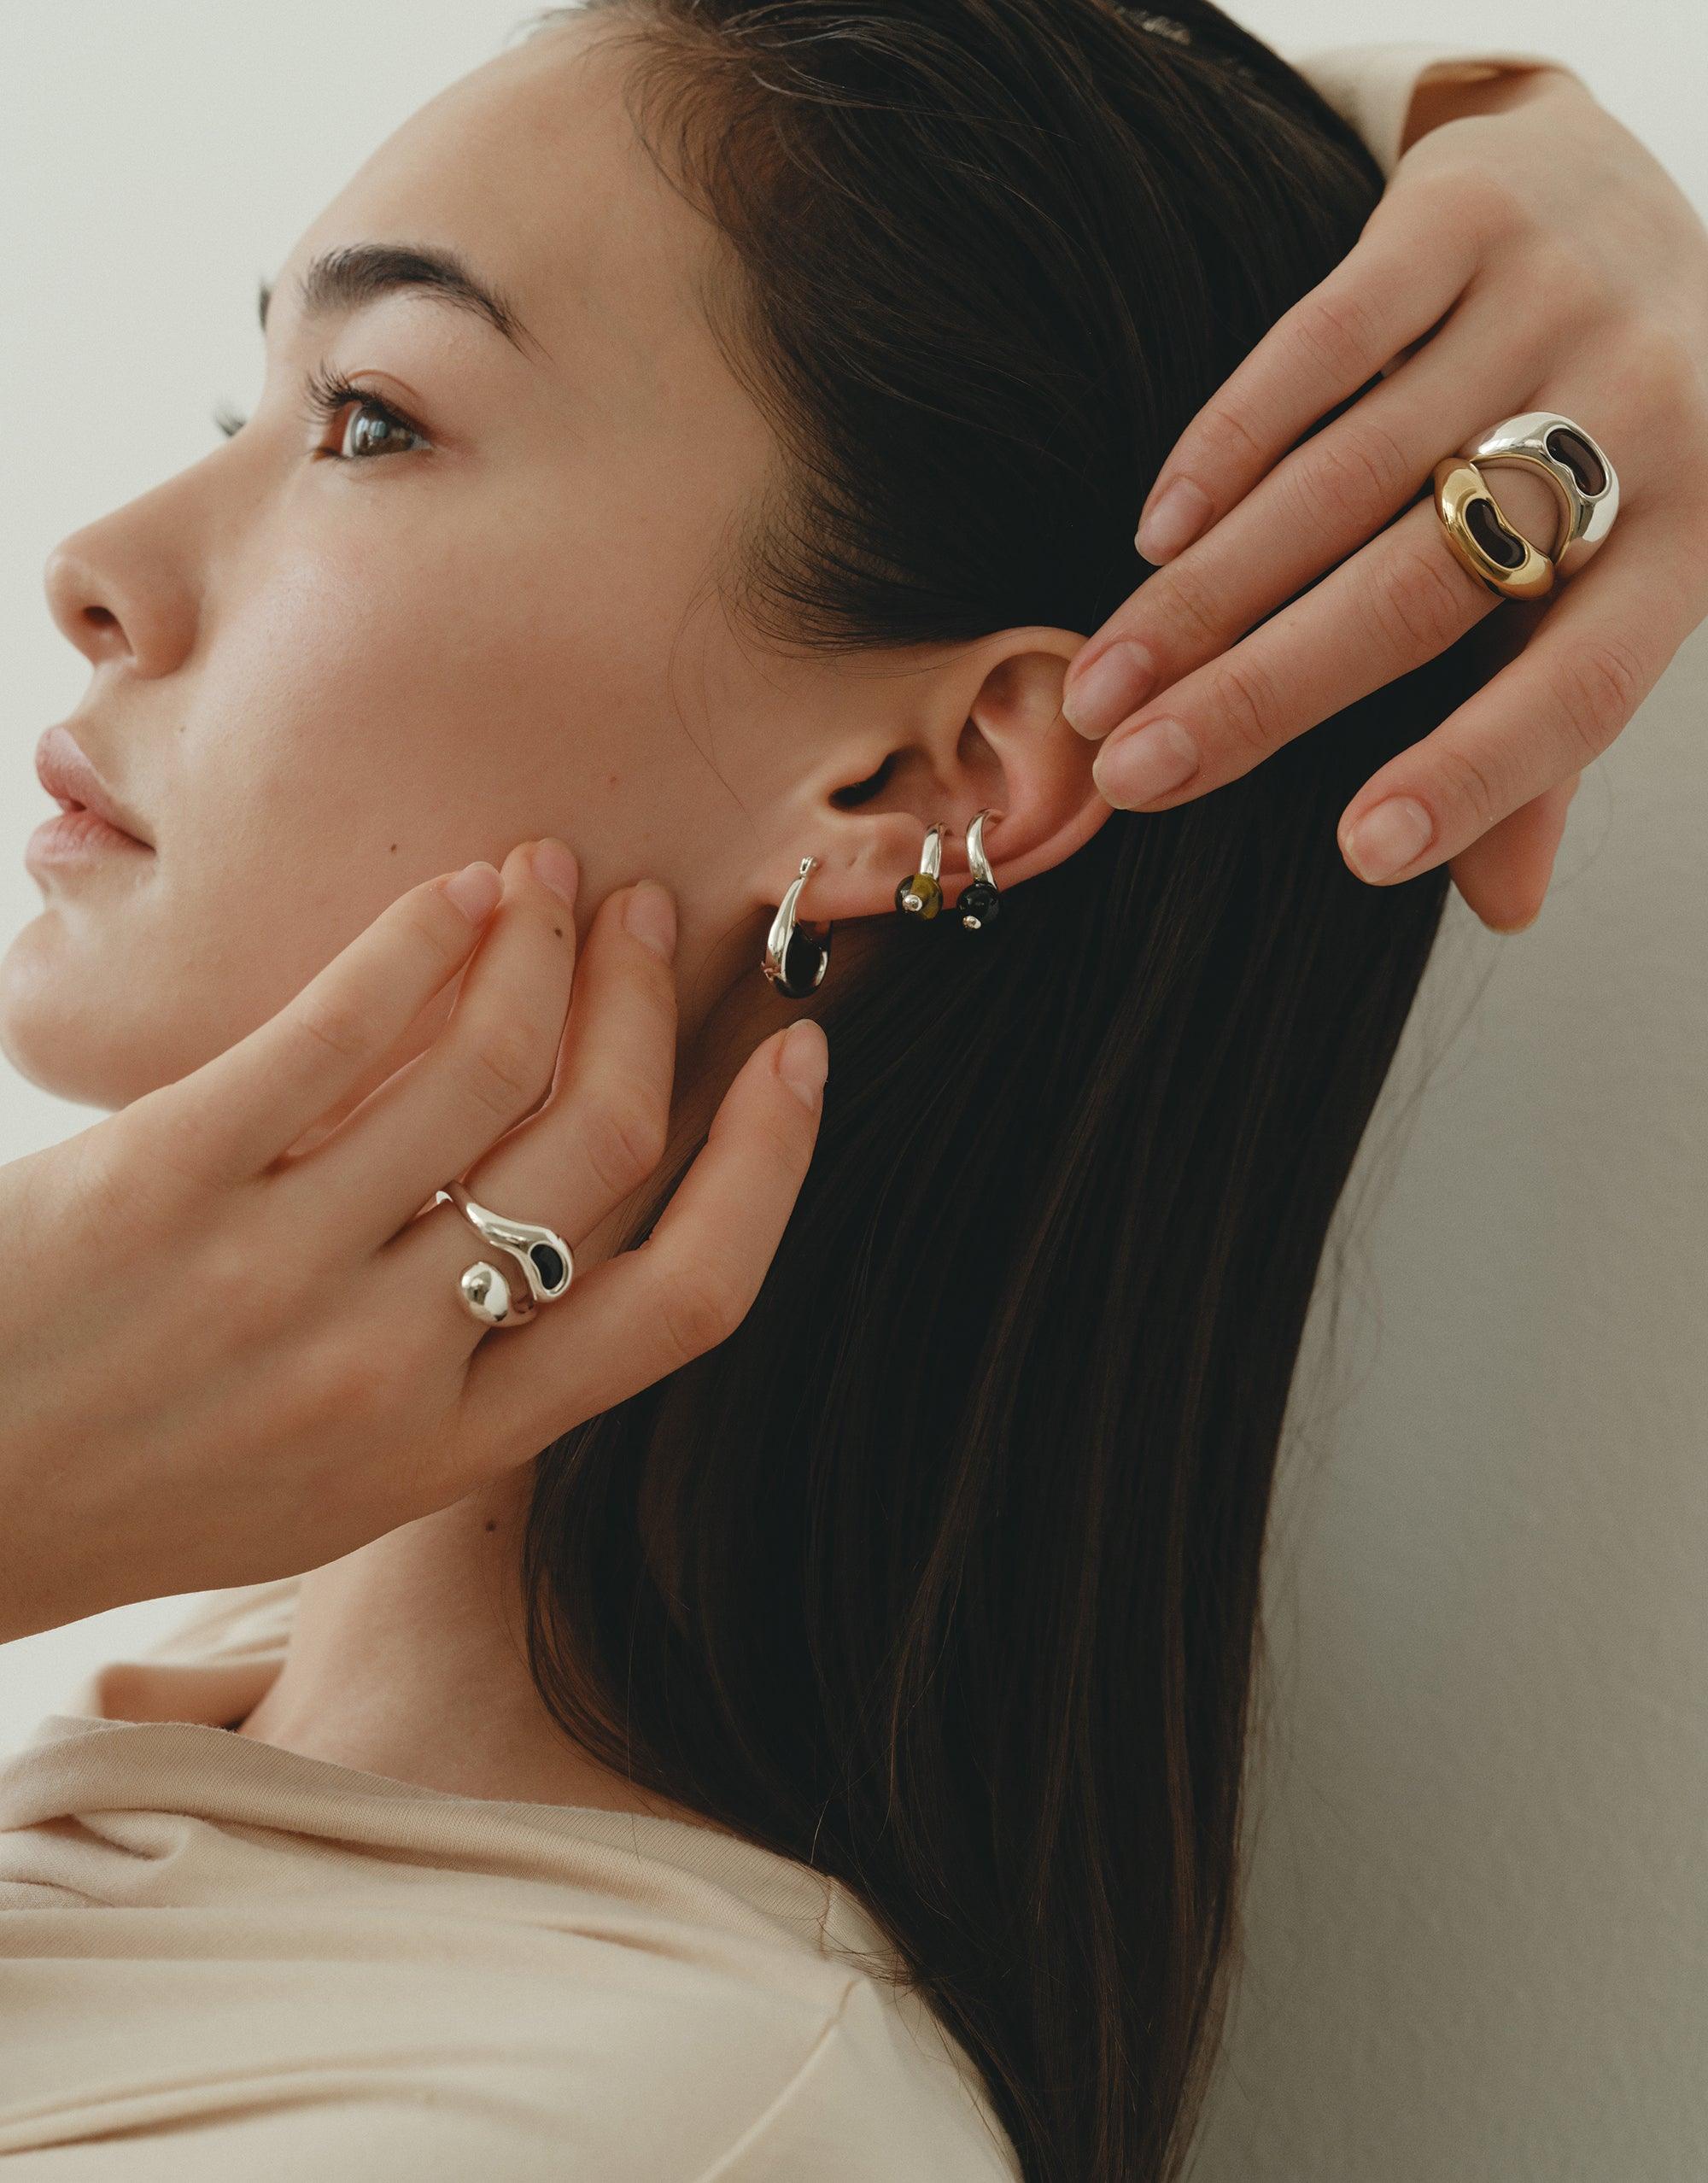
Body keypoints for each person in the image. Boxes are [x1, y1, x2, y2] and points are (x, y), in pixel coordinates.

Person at [0, 5, 1699, 2179]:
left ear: (922, 777)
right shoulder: (183, 1681)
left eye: (367, 418)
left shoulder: (661, 2121)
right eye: (245, 400)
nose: (100, 563)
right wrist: (1533, 147)